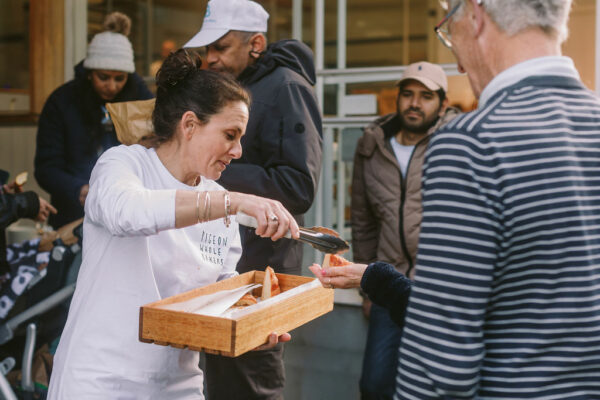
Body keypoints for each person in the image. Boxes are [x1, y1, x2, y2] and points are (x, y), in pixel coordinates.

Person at [312, 0, 600, 398]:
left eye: (450, 30)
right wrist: (374, 277)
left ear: (476, 17)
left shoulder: (470, 142)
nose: (460, 65)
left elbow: (441, 364)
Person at [47, 49, 296, 399]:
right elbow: (128, 212)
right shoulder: (124, 164)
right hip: (100, 379)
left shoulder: (218, 199)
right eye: (230, 135)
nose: (238, 151)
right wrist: (235, 202)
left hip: (178, 385)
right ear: (190, 125)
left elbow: (218, 300)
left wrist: (251, 327)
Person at [184, 1, 322, 398]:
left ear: (256, 44)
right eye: (206, 50)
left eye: (220, 48)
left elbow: (299, 186)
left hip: (261, 272)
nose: (209, 59)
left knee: (250, 385)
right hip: (221, 267)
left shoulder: (287, 88)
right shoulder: (233, 88)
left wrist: (211, 170)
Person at [351, 61, 458, 400]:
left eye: (426, 96)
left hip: (441, 289)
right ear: (397, 98)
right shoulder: (373, 145)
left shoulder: (457, 144)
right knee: (375, 384)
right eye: (408, 94)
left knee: (438, 385)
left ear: (442, 103)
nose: (415, 103)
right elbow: (363, 220)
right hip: (389, 280)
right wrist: (368, 284)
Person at [35, 12, 154, 229]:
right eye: (103, 77)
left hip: (130, 212)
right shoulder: (62, 102)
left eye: (120, 78)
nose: (112, 86)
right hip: (73, 218)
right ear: (90, 73)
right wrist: (77, 189)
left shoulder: (141, 101)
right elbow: (46, 167)